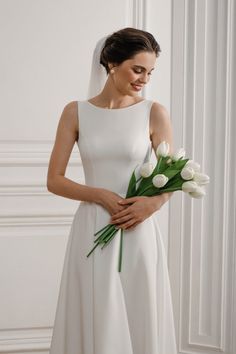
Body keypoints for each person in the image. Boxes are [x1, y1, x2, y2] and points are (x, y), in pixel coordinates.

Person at [47, 27, 177, 354]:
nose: (144, 79)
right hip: (92, 228)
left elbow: (172, 176)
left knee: (138, 309)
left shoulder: (154, 112)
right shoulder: (75, 112)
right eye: (137, 69)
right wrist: (100, 195)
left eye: (150, 72)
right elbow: (55, 179)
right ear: (111, 63)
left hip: (137, 227)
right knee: (96, 309)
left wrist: (152, 205)